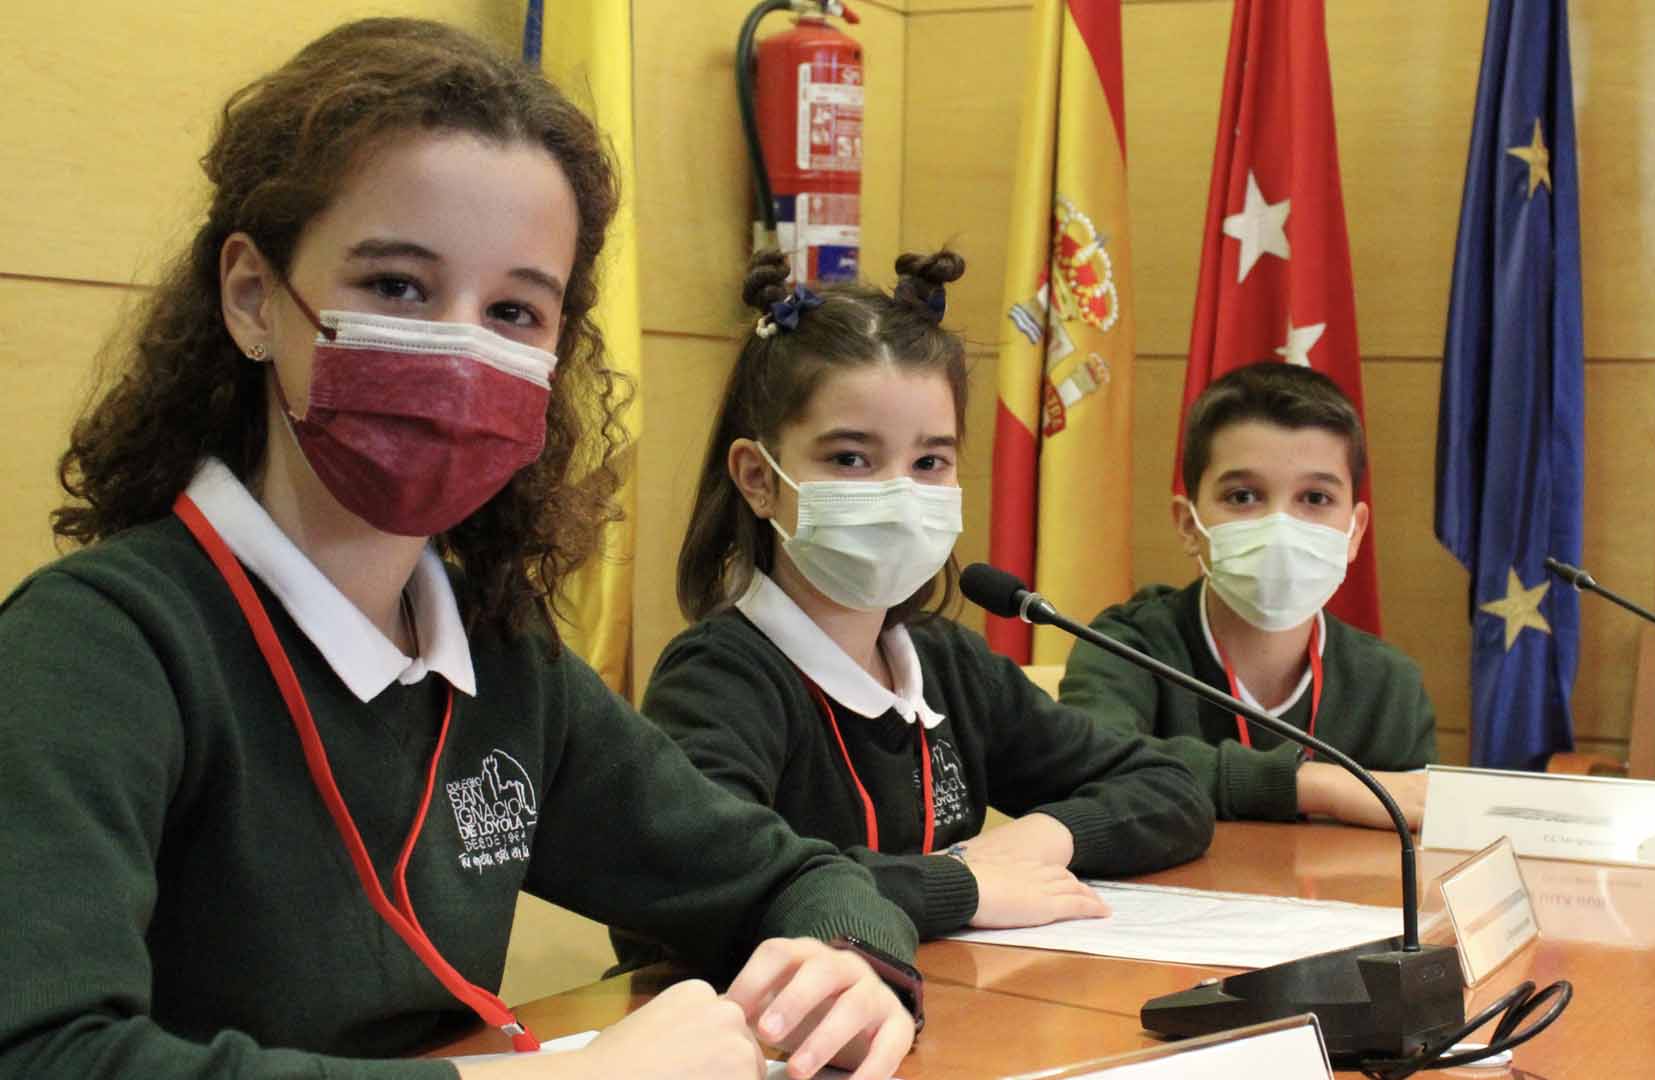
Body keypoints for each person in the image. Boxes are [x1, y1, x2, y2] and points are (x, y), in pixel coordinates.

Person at [0, 19, 915, 1080]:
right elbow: (45, 1055)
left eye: (516, 311)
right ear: (253, 298)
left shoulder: (500, 650)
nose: (461, 348)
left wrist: (852, 959)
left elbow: (783, 876)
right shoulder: (95, 648)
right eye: (398, 285)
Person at [617, 250, 1213, 956]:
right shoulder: (718, 677)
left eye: (929, 462)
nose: (899, 494)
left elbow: (1171, 789)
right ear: (758, 478)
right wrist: (961, 886)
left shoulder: (947, 663)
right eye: (851, 458)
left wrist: (1041, 838)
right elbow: (708, 884)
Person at [1059, 362, 1436, 829]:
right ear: (1188, 525)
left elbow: (1413, 842)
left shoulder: (1389, 684)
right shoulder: (1125, 647)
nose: (1280, 527)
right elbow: (1092, 763)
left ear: (1354, 532)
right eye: (1243, 497)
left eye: (1315, 498)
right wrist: (1315, 785)